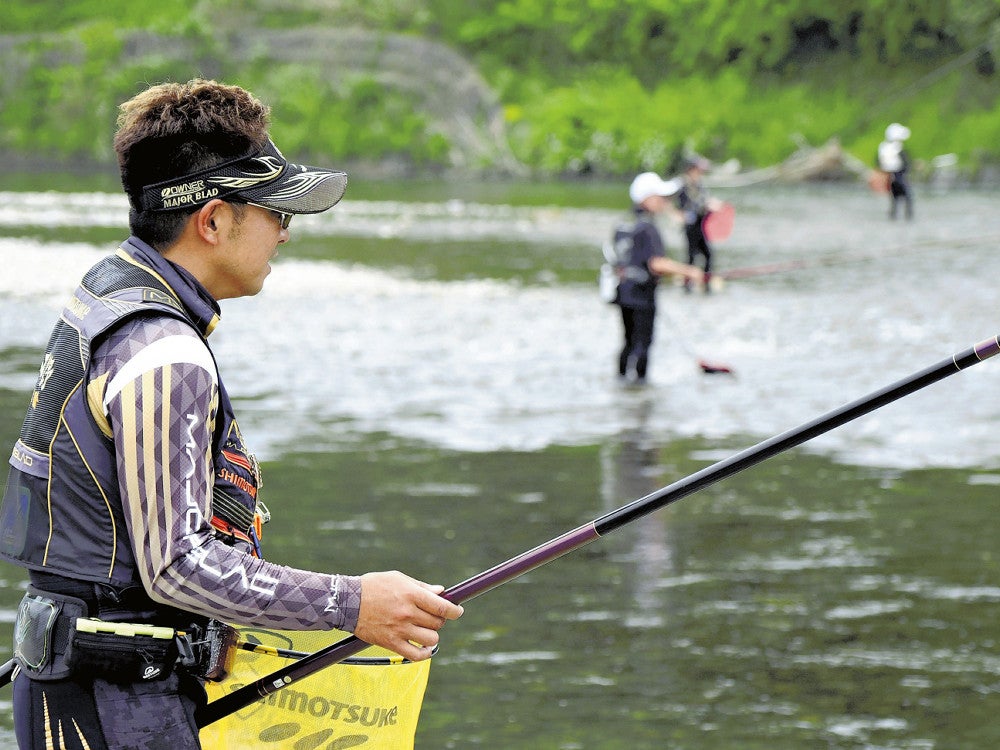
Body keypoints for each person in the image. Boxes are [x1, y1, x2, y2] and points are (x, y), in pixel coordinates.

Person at [0, 79, 463, 750]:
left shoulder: (106, 293)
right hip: (119, 704)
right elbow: (178, 566)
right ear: (212, 221)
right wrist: (354, 603)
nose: (284, 233)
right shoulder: (166, 355)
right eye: (276, 211)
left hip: (81, 683)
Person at [611, 172, 704, 383]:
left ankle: (622, 383)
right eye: (660, 197)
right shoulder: (648, 227)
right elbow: (656, 264)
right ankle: (640, 387)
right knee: (643, 343)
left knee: (628, 342)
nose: (665, 201)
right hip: (642, 296)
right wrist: (690, 272)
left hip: (623, 293)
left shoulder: (623, 224)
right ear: (646, 198)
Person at [675, 156, 724, 293]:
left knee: (708, 254)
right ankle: (687, 284)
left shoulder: (699, 184)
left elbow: (704, 199)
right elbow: (688, 204)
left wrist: (712, 204)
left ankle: (706, 282)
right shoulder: (684, 184)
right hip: (691, 226)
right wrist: (706, 205)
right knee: (691, 256)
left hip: (700, 225)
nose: (700, 172)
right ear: (691, 169)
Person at [876, 122, 914, 220]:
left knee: (894, 201)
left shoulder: (883, 147)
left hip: (889, 179)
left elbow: (879, 163)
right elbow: (906, 164)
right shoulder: (898, 148)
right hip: (899, 177)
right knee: (908, 198)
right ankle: (908, 218)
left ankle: (893, 218)